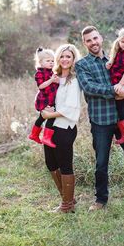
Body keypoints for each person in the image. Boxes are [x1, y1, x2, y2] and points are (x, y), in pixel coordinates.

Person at [75, 25, 124, 213]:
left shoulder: (116, 55)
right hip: (101, 120)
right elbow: (89, 87)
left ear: (101, 38)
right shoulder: (82, 64)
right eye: (88, 40)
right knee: (101, 164)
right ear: (84, 43)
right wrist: (115, 91)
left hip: (122, 117)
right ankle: (101, 200)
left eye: (95, 38)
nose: (93, 42)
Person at [41, 44, 81, 213]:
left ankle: (66, 205)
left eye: (68, 57)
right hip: (50, 126)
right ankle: (69, 199)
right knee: (50, 163)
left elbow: (71, 108)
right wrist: (43, 109)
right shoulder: (54, 77)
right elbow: (43, 94)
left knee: (65, 164)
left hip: (65, 127)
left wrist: (49, 115)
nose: (65, 59)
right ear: (58, 58)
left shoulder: (74, 80)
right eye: (62, 56)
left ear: (73, 60)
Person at [28, 47, 59, 148]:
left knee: (42, 117)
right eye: (48, 61)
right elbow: (41, 86)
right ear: (41, 62)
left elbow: (57, 82)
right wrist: (51, 81)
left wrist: (56, 80)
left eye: (52, 61)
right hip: (45, 99)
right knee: (51, 116)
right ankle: (46, 137)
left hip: (51, 98)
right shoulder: (39, 73)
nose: (51, 63)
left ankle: (34, 134)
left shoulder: (51, 72)